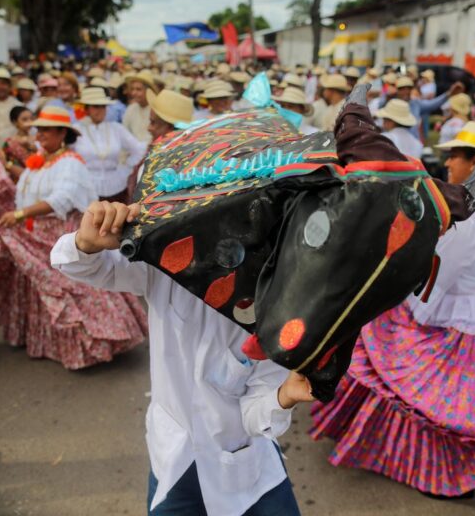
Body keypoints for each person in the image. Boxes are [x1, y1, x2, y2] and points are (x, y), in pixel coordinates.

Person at [312, 121, 475, 499]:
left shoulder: (470, 214)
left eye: (455, 156)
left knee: (435, 401)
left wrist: (409, 315)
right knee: (449, 402)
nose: (448, 163)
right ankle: (439, 468)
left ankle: (447, 473)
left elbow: (440, 277)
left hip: (458, 316)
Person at [50, 198, 312, 516]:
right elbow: (83, 266)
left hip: (241, 463)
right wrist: (85, 242)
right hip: (174, 454)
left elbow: (256, 414)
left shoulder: (277, 311)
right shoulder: (169, 261)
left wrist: (284, 396)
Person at [0, 106, 148, 368]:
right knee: (40, 286)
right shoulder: (40, 160)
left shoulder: (71, 163)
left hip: (58, 233)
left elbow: (60, 198)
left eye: (46, 131)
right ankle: (46, 343)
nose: (39, 136)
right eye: (38, 131)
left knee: (72, 283)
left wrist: (20, 213)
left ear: (63, 133)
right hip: (35, 234)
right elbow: (31, 184)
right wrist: (7, 167)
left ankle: (94, 346)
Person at [74, 87, 146, 203]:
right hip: (86, 188)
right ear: (87, 109)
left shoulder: (116, 128)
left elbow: (138, 149)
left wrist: (127, 167)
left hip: (116, 187)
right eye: (96, 106)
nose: (101, 110)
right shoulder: (77, 130)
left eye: (103, 106)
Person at [395, 76, 463, 141]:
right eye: (402, 89)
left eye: (408, 88)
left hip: (413, 143)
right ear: (397, 90)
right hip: (396, 143)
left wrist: (449, 94)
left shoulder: (415, 103)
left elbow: (432, 104)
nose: (406, 91)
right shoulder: (392, 104)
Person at [122, 70, 156, 143]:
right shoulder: (130, 109)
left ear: (148, 91)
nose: (134, 93)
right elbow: (125, 133)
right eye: (132, 89)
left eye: (138, 89)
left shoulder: (156, 110)